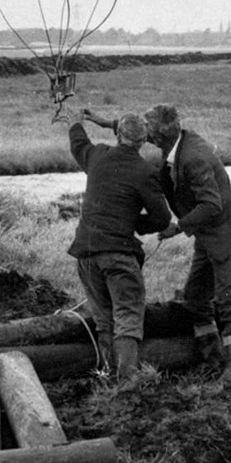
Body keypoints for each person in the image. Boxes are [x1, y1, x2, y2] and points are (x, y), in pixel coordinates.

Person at [143, 103, 231, 381]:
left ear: (160, 135)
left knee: (226, 297)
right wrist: (101, 122)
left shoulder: (193, 158)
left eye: (149, 133)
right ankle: (211, 355)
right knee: (194, 296)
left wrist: (178, 226)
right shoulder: (176, 144)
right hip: (207, 233)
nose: (146, 137)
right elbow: (131, 128)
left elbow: (211, 205)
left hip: (224, 232)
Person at [66, 109, 172, 382]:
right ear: (144, 140)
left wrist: (75, 122)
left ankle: (106, 375)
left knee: (103, 318)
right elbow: (161, 219)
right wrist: (135, 223)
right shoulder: (146, 172)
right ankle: (127, 383)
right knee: (127, 317)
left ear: (117, 135)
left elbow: (79, 144)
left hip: (87, 253)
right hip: (119, 255)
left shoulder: (97, 156)